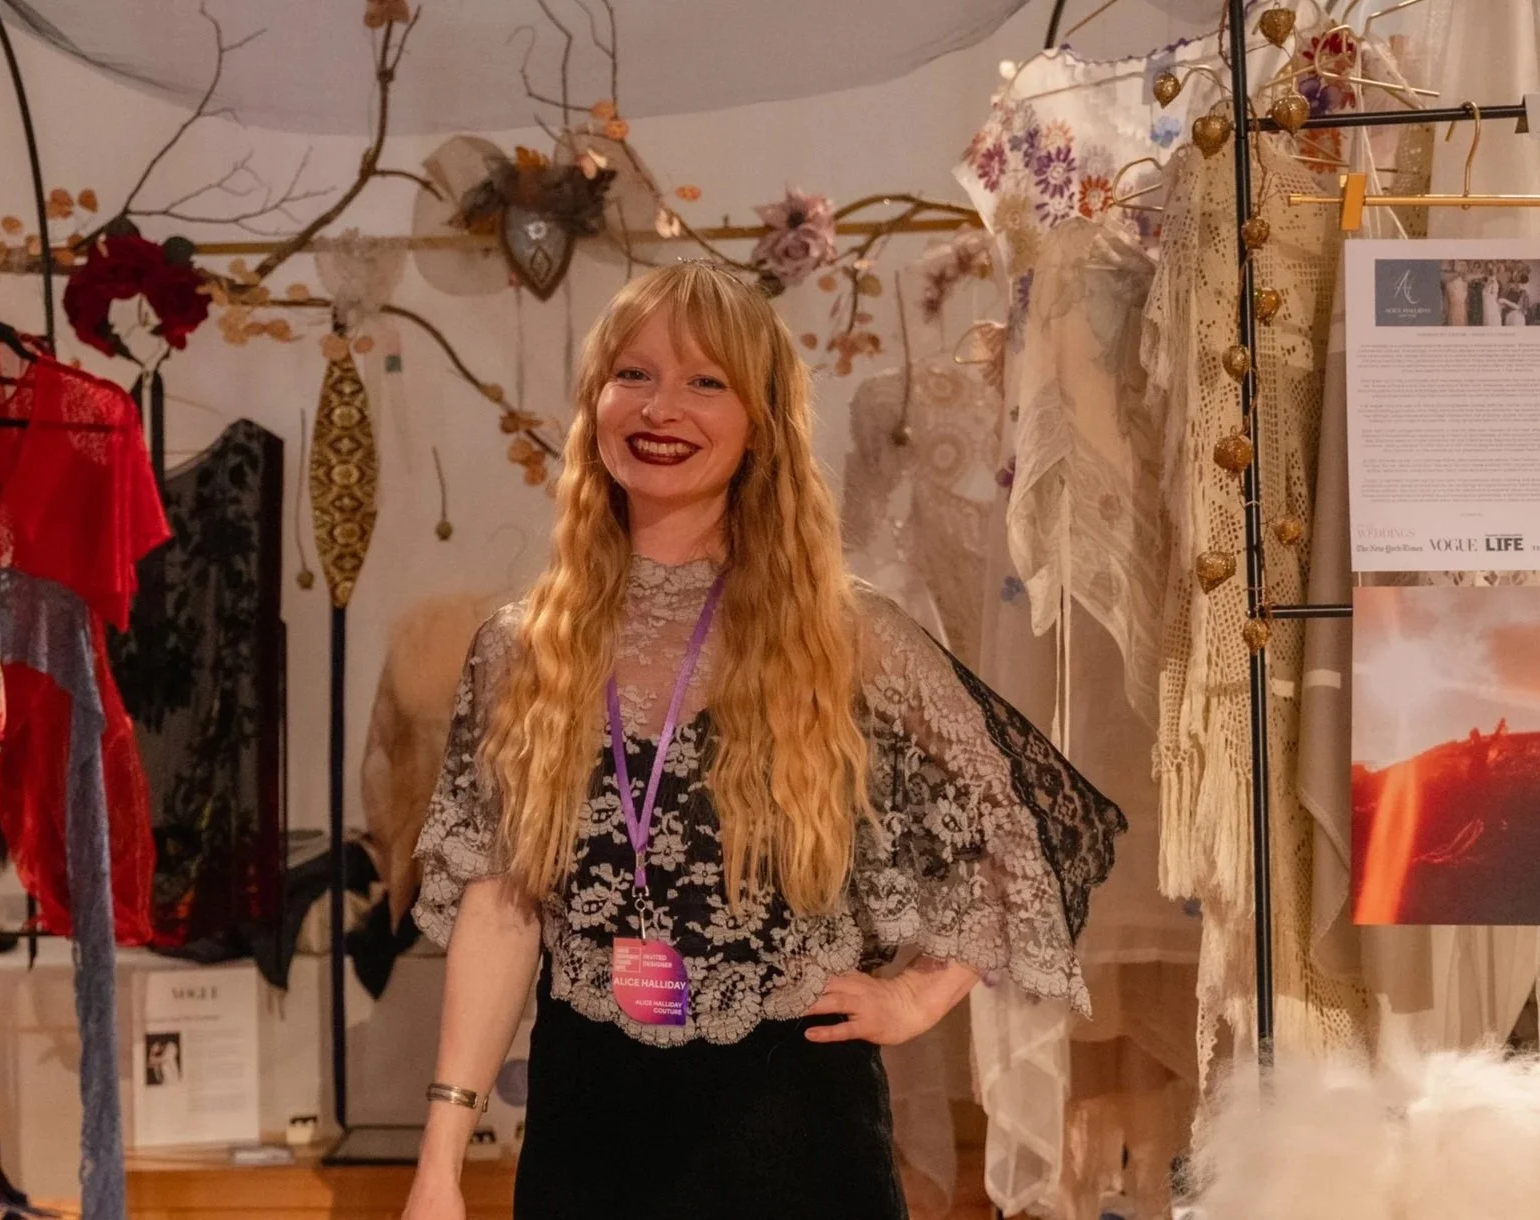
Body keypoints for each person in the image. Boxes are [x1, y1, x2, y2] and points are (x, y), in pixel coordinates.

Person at [400, 262, 1123, 1220]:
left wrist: (914, 999)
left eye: (707, 382)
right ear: (593, 402)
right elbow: (501, 908)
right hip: (590, 1135)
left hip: (795, 1133)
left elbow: (1036, 831)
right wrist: (440, 1163)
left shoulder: (842, 635)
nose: (663, 408)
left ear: (762, 423)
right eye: (634, 374)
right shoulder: (518, 648)